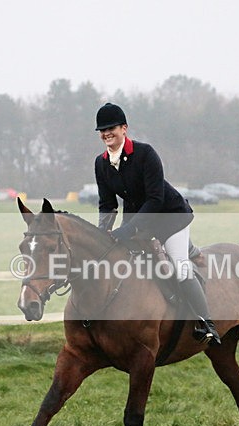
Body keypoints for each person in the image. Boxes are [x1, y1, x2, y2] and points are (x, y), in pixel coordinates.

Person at [93, 102, 220, 345]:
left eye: (111, 128)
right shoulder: (101, 163)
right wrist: (102, 232)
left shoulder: (145, 153)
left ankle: (207, 323)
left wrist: (129, 229)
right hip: (138, 217)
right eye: (102, 130)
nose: (106, 133)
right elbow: (107, 204)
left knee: (179, 267)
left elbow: (155, 198)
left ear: (124, 128)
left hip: (169, 217)